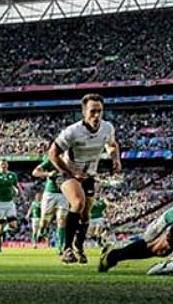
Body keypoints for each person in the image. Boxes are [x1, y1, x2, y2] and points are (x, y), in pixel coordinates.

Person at [48, 93, 121, 264]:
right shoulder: (72, 132)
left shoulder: (107, 128)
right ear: (83, 112)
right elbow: (52, 154)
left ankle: (79, 247)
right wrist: (72, 171)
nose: (96, 116)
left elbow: (111, 145)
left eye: (99, 111)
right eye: (92, 112)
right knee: (78, 203)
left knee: (86, 215)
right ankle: (66, 250)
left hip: (89, 175)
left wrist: (115, 159)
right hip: (67, 172)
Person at [32, 157, 69, 254]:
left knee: (61, 220)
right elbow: (35, 172)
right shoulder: (50, 160)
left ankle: (61, 247)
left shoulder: (70, 160)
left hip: (64, 193)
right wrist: (47, 174)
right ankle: (42, 230)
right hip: (50, 194)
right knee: (44, 220)